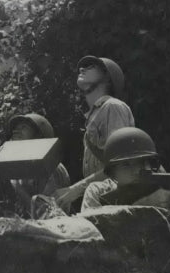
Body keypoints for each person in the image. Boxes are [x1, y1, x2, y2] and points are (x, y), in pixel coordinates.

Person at [53, 55, 134, 212]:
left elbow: (119, 165)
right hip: (106, 197)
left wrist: (75, 190)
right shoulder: (97, 114)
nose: (82, 69)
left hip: (117, 196)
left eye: (91, 67)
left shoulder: (112, 107)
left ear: (107, 78)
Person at [5, 113, 71, 215]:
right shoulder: (21, 166)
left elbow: (49, 213)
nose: (16, 131)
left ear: (39, 135)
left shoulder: (52, 168)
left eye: (23, 127)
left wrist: (17, 189)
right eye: (15, 128)